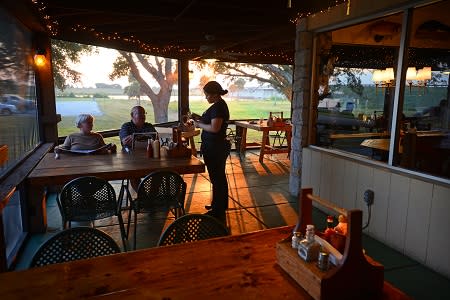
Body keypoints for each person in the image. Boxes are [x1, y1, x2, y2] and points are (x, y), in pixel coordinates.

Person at [193, 81, 230, 223]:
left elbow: (215, 128)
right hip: (213, 146)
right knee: (217, 178)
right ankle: (218, 205)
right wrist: (200, 118)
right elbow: (212, 123)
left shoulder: (218, 107)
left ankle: (218, 210)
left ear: (215, 94)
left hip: (216, 147)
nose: (206, 98)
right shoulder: (217, 106)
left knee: (217, 178)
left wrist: (198, 124)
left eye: (207, 95)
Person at [119, 105, 157, 192]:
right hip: (131, 158)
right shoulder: (126, 126)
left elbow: (155, 138)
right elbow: (125, 141)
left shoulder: (149, 126)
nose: (143, 115)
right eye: (140, 113)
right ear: (132, 115)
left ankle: (152, 196)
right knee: (133, 173)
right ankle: (143, 196)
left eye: (144, 113)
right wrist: (146, 137)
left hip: (149, 157)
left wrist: (135, 137)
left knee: (159, 172)